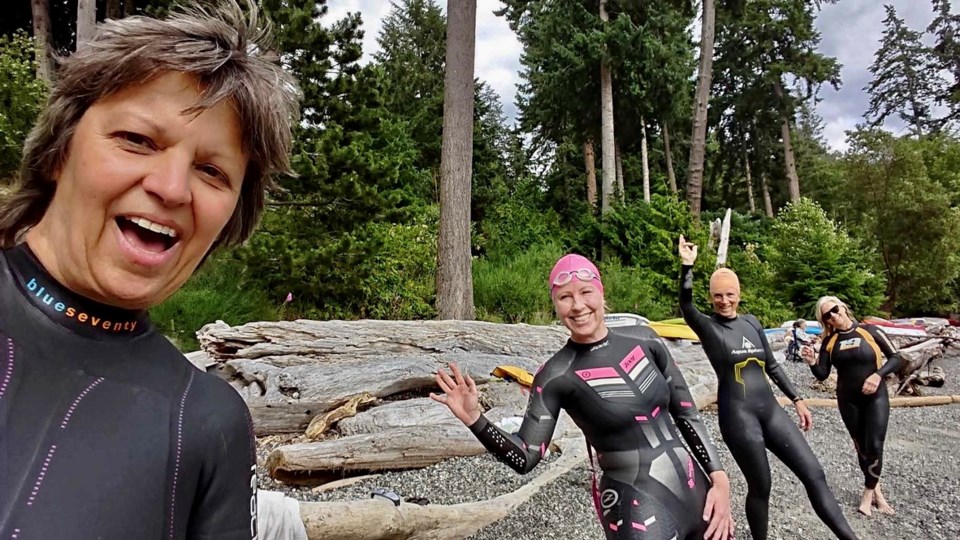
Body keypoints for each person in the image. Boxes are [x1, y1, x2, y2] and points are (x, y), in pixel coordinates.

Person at [0, 2, 300, 539]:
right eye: (138, 140)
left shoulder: (208, 425)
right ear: (59, 152)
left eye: (211, 171)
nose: (170, 188)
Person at [432, 254, 735, 540]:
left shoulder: (646, 340)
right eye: (565, 297)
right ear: (555, 305)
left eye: (586, 292)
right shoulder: (556, 375)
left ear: (602, 294)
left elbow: (687, 414)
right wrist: (475, 419)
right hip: (636, 503)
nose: (577, 305)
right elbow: (524, 456)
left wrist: (719, 478)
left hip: (699, 492)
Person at [677, 236, 857, 540]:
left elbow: (772, 366)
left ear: (739, 294)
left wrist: (797, 399)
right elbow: (685, 303)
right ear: (711, 297)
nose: (724, 300)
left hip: (771, 410)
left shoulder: (751, 322)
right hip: (738, 416)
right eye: (718, 295)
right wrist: (686, 266)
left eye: (729, 294)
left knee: (814, 474)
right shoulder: (708, 327)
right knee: (762, 487)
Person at [803, 296, 900, 517]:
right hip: (848, 400)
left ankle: (867, 493)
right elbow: (822, 374)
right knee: (861, 447)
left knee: (874, 444)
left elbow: (896, 357)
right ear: (825, 321)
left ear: (843, 308)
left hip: (875, 396)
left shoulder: (870, 331)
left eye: (835, 310)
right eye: (827, 315)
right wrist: (811, 362)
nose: (833, 316)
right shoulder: (830, 342)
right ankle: (878, 492)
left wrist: (877, 376)